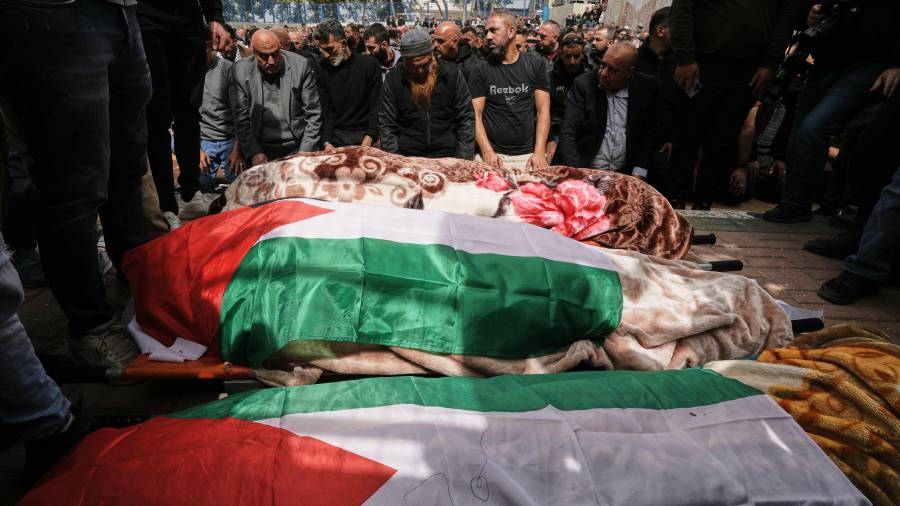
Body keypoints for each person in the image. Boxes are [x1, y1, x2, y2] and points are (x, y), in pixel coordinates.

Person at [0, 0, 154, 367]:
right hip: (51, 13)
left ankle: (137, 286)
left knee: (127, 172)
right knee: (75, 184)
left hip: (121, 13)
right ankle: (92, 326)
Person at [764, 0, 900, 223]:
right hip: (825, 61)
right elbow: (806, 10)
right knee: (798, 135)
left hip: (868, 64)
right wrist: (812, 14)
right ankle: (794, 204)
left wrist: (896, 63)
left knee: (813, 129)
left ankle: (799, 205)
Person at [667, 0, 799, 210]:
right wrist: (684, 57)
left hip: (748, 67)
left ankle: (704, 204)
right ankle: (675, 202)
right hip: (701, 60)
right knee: (687, 134)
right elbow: (683, 7)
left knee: (722, 140)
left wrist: (771, 62)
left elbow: (786, 14)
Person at [137, 0, 229, 218]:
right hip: (146, 18)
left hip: (188, 18)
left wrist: (215, 16)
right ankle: (166, 204)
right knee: (157, 115)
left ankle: (190, 191)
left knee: (189, 110)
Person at [557, 42, 659, 178]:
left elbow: (649, 133)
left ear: (629, 72)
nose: (603, 73)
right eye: (603, 65)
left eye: (613, 70)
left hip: (624, 173)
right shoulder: (584, 85)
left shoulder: (647, 88)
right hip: (584, 169)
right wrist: (578, 176)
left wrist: (639, 171)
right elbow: (569, 132)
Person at [468, 10, 551, 169]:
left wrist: (539, 152)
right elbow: (475, 114)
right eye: (487, 32)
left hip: (527, 155)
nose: (488, 36)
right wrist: (487, 151)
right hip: (492, 154)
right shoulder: (480, 69)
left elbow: (543, 111)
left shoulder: (535, 65)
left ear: (511, 31)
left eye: (493, 30)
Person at [379, 29, 475, 159]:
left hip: (448, 156)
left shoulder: (452, 74)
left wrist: (462, 159)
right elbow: (387, 126)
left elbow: (466, 119)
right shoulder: (393, 81)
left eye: (424, 65)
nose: (419, 71)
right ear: (404, 61)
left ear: (432, 56)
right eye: (413, 66)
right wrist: (397, 161)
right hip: (408, 157)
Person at [230, 30, 322, 165]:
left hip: (297, 145)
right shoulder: (240, 71)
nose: (271, 61)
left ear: (280, 47)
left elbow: (313, 114)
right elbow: (240, 119)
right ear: (253, 53)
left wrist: (304, 152)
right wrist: (254, 152)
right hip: (260, 147)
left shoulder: (300, 66)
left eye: (275, 54)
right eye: (264, 56)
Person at [315, 20, 382, 149]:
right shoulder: (322, 68)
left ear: (343, 44)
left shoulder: (369, 65)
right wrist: (327, 142)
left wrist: (369, 138)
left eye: (329, 49)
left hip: (366, 135)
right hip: (336, 136)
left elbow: (377, 106)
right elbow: (326, 110)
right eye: (322, 50)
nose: (326, 55)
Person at [200, 43, 243, 192]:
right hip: (204, 141)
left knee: (238, 188)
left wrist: (238, 149)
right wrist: (198, 149)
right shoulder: (187, 72)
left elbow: (241, 112)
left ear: (209, 47)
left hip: (229, 140)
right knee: (201, 186)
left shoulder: (229, 69)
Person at [547, 35, 591, 163]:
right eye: (568, 57)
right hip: (555, 133)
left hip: (581, 135)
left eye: (576, 56)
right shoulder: (549, 78)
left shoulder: (590, 79)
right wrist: (549, 140)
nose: (572, 61)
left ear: (583, 54)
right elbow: (542, 112)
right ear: (560, 54)